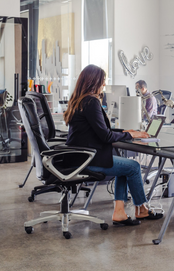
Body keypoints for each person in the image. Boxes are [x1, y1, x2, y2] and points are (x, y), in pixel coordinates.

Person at [64, 65, 163, 226]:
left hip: (81, 157)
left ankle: (120, 212)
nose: (104, 85)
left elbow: (100, 130)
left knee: (124, 167)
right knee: (133, 167)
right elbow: (105, 136)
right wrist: (131, 134)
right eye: (102, 81)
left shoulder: (80, 100)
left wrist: (125, 130)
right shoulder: (91, 102)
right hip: (89, 160)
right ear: (94, 82)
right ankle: (142, 209)